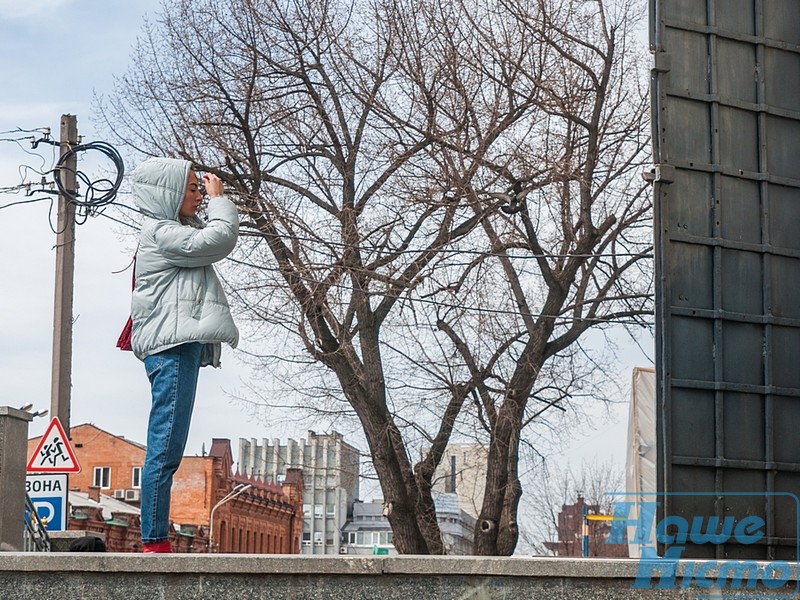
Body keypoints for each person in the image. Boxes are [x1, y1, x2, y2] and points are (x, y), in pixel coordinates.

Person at [129, 157, 239, 553]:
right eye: (192, 188)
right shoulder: (162, 233)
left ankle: (154, 538)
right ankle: (154, 541)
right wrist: (219, 199)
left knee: (169, 445)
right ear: (170, 193)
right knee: (166, 447)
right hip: (171, 350)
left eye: (199, 187)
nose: (198, 194)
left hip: (179, 349)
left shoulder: (171, 231)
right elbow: (218, 240)